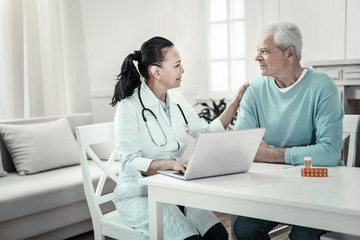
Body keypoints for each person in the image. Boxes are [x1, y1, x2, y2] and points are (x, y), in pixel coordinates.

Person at [110, 36, 248, 240]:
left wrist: (235, 103)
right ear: (156, 72)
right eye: (177, 65)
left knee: (218, 235)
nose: (182, 71)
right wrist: (171, 165)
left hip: (173, 190)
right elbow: (130, 162)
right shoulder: (128, 107)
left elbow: (207, 133)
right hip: (139, 196)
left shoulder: (177, 100)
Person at [232, 21, 344, 239]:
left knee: (303, 235)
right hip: (272, 187)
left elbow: (329, 153)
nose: (257, 58)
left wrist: (270, 154)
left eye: (264, 51)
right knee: (245, 229)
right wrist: (304, 152)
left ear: (290, 53)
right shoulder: (254, 90)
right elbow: (241, 145)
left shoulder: (322, 87)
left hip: (319, 189)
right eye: (258, 51)